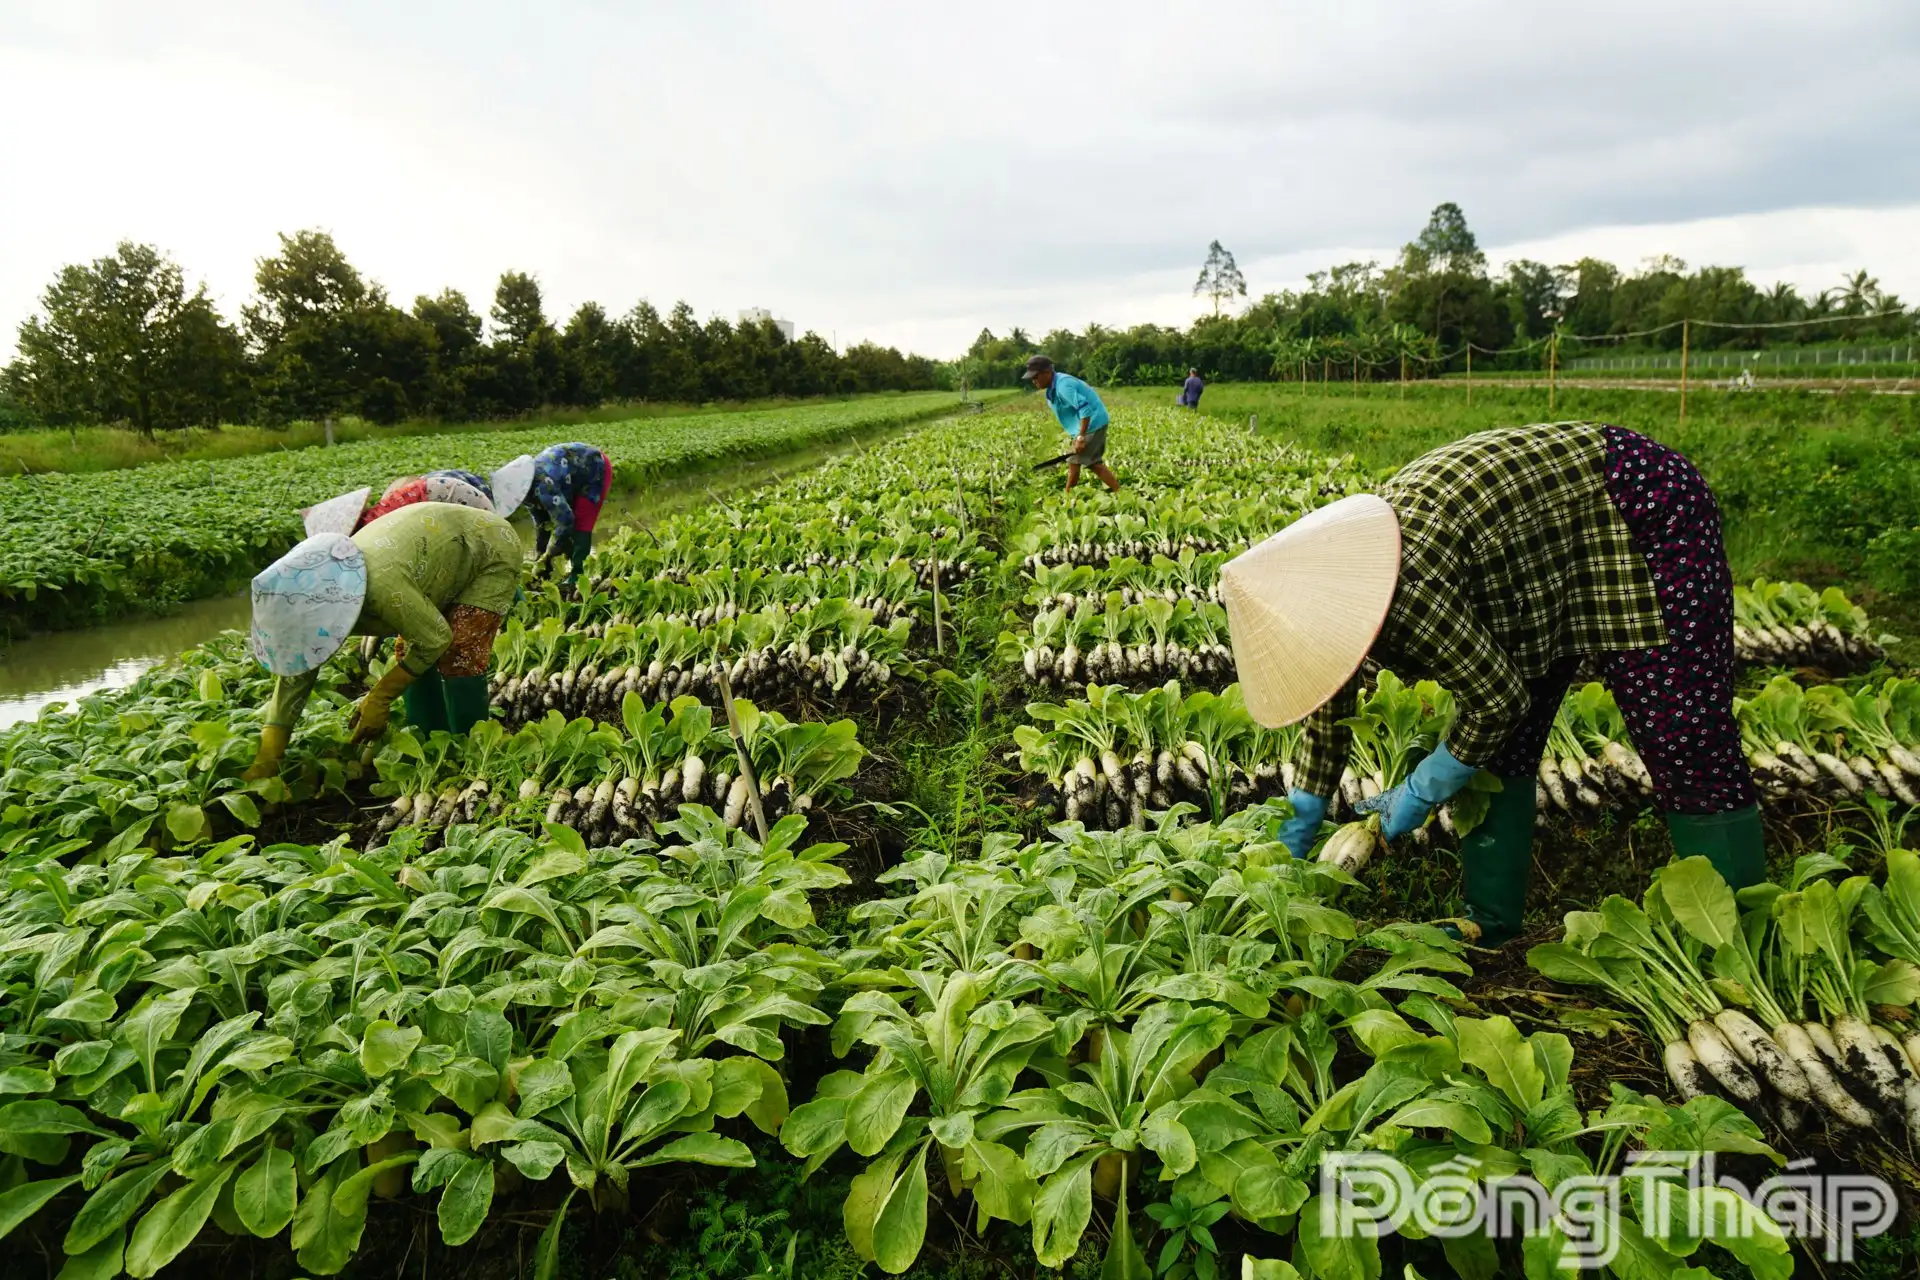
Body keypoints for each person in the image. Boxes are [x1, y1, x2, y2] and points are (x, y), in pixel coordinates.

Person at [1220, 421, 1764, 947]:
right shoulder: (1329, 604)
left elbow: (1497, 700)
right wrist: (1302, 815)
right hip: (1532, 556)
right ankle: (1492, 920)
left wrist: (1421, 788)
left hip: (1637, 502)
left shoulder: (1408, 588)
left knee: (1680, 725)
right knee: (1504, 746)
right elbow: (1329, 705)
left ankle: (1736, 927)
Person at [243, 502, 524, 779]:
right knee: (408, 649)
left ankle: (473, 750)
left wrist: (381, 695)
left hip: (487, 547)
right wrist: (269, 752)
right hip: (432, 562)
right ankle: (430, 745)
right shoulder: (318, 601)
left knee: (459, 652)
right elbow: (299, 670)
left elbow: (437, 638)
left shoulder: (381, 588)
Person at [1021, 355, 1120, 492]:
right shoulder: (1054, 386)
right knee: (1083, 462)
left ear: (1047, 373)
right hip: (1088, 424)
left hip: (1093, 422)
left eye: (1036, 376)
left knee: (1084, 462)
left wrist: (1081, 437)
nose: (1033, 381)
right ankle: (1116, 491)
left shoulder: (1063, 386)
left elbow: (1085, 409)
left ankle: (1070, 496)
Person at [527, 442, 614, 582]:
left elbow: (567, 520)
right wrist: (540, 555)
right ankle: (570, 560)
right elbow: (542, 523)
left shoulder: (544, 485)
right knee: (563, 534)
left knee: (581, 522)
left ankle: (578, 574)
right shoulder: (528, 493)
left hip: (594, 470)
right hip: (571, 478)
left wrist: (549, 554)